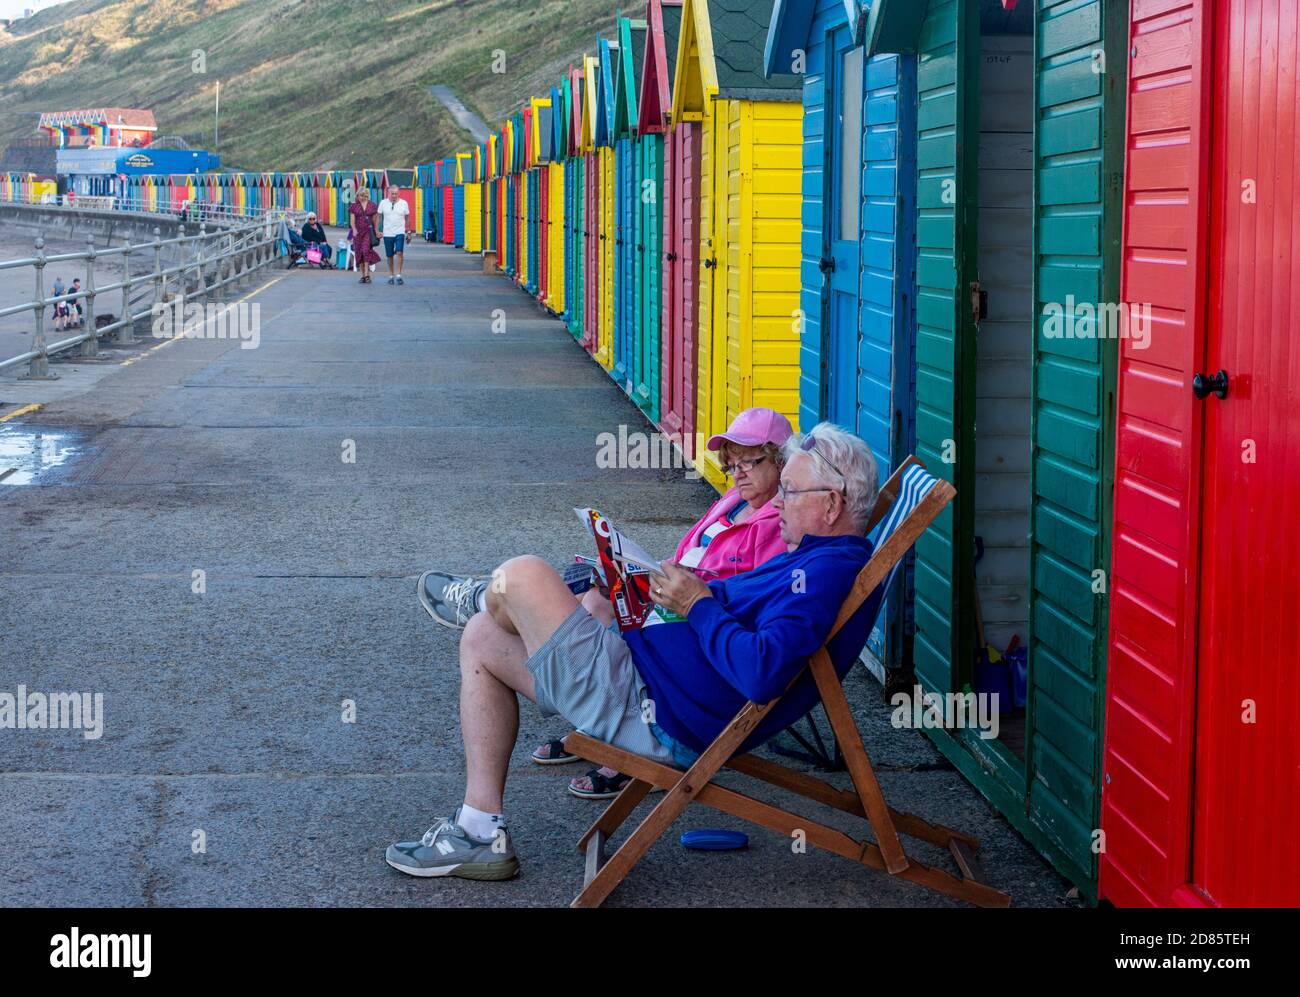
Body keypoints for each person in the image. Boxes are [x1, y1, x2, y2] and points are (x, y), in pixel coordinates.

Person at [385, 422, 883, 881]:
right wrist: (663, 585)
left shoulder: (821, 575)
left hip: (658, 711)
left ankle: (478, 593)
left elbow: (762, 671)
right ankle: (477, 830)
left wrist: (696, 603)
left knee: (523, 575)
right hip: (650, 673)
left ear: (832, 504)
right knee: (481, 637)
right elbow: (739, 613)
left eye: (791, 493)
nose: (780, 504)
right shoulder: (816, 558)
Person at [378, 187, 410, 285]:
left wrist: (408, 232)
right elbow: (378, 217)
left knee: (399, 252)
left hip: (400, 232)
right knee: (390, 255)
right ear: (388, 193)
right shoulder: (383, 203)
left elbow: (407, 218)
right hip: (387, 233)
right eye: (392, 193)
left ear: (399, 193)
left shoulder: (404, 203)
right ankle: (391, 275)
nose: (394, 195)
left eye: (396, 193)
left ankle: (399, 275)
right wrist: (376, 230)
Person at [348, 188, 381, 284]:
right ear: (357, 196)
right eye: (361, 195)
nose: (363, 197)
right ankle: (363, 275)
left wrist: (376, 231)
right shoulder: (354, 206)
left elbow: (375, 220)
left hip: (368, 232)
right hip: (358, 233)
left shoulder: (372, 205)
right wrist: (354, 229)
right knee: (359, 253)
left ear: (368, 195)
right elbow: (352, 220)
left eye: (365, 195)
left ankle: (367, 274)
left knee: (365, 250)